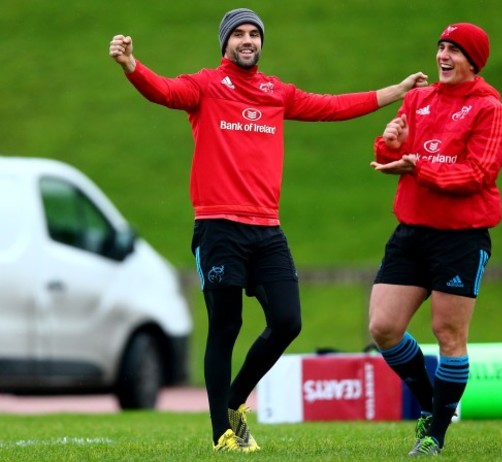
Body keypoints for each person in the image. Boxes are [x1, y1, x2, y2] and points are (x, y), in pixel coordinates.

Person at [108, 7, 427, 454]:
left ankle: (236, 400)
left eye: (254, 35)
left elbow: (332, 106)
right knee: (226, 325)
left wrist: (396, 91)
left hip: (266, 230)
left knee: (287, 321)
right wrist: (131, 66)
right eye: (238, 34)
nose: (247, 41)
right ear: (225, 43)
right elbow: (163, 91)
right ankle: (222, 430)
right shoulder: (205, 86)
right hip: (218, 226)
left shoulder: (276, 92)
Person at [368, 22, 502, 457]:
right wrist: (389, 145)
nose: (443, 56)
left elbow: (478, 174)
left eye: (455, 49)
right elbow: (397, 152)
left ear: (474, 61)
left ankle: (434, 436)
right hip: (411, 231)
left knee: (448, 335)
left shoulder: (490, 110)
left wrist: (418, 169)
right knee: (384, 328)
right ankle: (435, 406)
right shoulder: (417, 99)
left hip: (461, 238)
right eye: (441, 47)